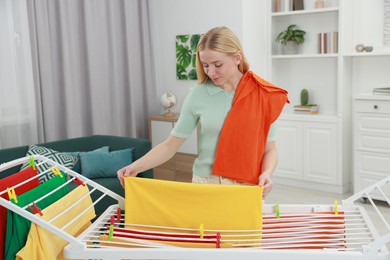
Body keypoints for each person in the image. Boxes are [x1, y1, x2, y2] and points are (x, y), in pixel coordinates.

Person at [117, 26, 289, 198]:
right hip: (206, 183)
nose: (211, 72)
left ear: (237, 57)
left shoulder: (263, 94)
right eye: (205, 65)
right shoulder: (198, 94)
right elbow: (170, 146)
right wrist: (134, 167)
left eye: (218, 64)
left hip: (248, 186)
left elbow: (270, 150)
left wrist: (266, 174)